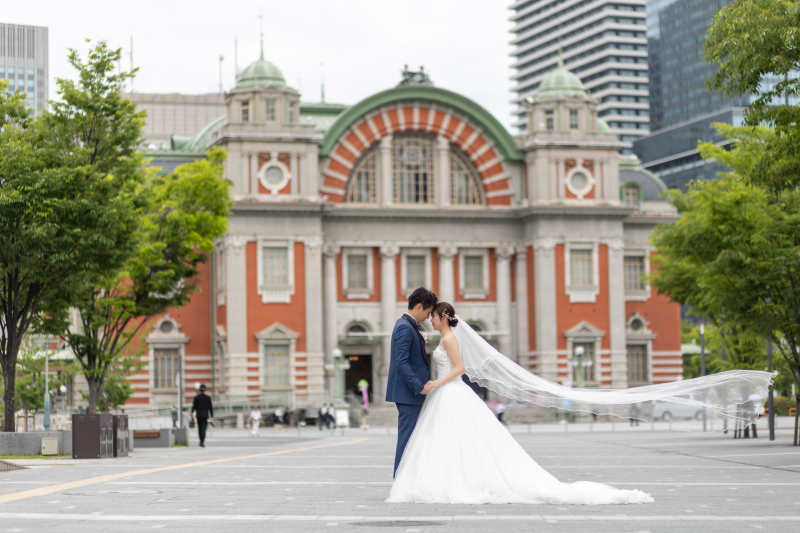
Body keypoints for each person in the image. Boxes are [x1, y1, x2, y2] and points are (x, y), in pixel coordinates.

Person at [387, 302, 653, 505]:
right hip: (444, 394)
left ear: (443, 317)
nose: (430, 319)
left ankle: (452, 481)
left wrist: (436, 383)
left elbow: (460, 368)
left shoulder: (449, 339)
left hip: (449, 390)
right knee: (449, 440)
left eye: (434, 316)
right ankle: (441, 478)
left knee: (459, 439)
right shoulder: (441, 337)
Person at [385, 287, 438, 478]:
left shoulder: (410, 326)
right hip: (409, 393)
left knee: (412, 438)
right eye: (428, 312)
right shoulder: (404, 327)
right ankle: (400, 480)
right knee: (407, 438)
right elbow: (401, 362)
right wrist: (419, 386)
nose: (428, 317)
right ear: (419, 306)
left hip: (411, 392)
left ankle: (408, 479)